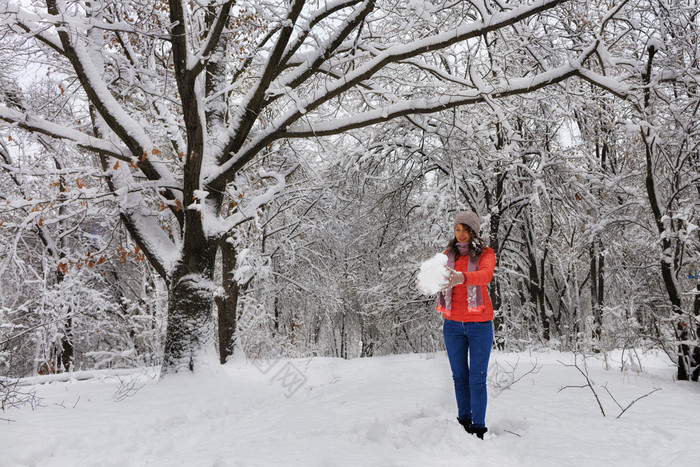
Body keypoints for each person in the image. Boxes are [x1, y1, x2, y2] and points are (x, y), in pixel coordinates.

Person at [437, 210, 496, 440]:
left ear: (474, 231)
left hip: (479, 325)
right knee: (459, 377)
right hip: (452, 325)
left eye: (466, 229)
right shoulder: (447, 255)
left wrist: (461, 278)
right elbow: (438, 278)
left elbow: (485, 275)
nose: (461, 234)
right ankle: (464, 422)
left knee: (477, 379)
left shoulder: (485, 254)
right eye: (457, 229)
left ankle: (478, 428)